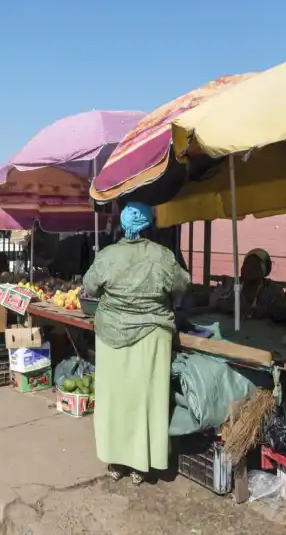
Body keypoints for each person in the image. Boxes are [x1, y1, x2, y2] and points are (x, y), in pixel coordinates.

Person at [83, 202, 191, 485]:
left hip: (111, 335)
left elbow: (90, 286)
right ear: (148, 225)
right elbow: (182, 285)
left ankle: (115, 461)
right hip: (152, 336)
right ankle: (141, 465)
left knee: (115, 399)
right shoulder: (163, 255)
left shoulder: (108, 255)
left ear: (122, 224)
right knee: (146, 400)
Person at [211, 248, 286, 323]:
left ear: (263, 271)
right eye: (246, 264)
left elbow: (279, 313)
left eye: (254, 266)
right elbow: (215, 302)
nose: (248, 269)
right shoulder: (230, 286)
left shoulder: (273, 290)